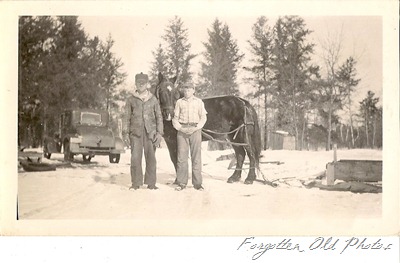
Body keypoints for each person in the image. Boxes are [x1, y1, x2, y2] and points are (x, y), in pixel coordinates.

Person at [123, 72, 163, 190]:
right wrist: (125, 133)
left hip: (150, 133)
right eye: (138, 83)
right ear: (135, 84)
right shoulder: (131, 100)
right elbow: (126, 117)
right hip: (135, 133)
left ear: (147, 84)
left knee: (151, 158)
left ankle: (151, 183)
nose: (141, 85)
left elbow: (159, 116)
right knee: (135, 158)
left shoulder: (153, 99)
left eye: (143, 83)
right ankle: (136, 183)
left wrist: (159, 133)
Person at [172, 83, 207, 191]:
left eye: (189, 90)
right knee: (181, 158)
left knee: (196, 157)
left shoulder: (199, 102)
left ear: (193, 91)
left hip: (195, 130)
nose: (187, 92)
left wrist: (197, 127)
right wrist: (180, 128)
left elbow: (203, 117)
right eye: (185, 90)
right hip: (182, 130)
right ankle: (182, 182)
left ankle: (197, 183)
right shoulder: (179, 102)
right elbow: (175, 118)